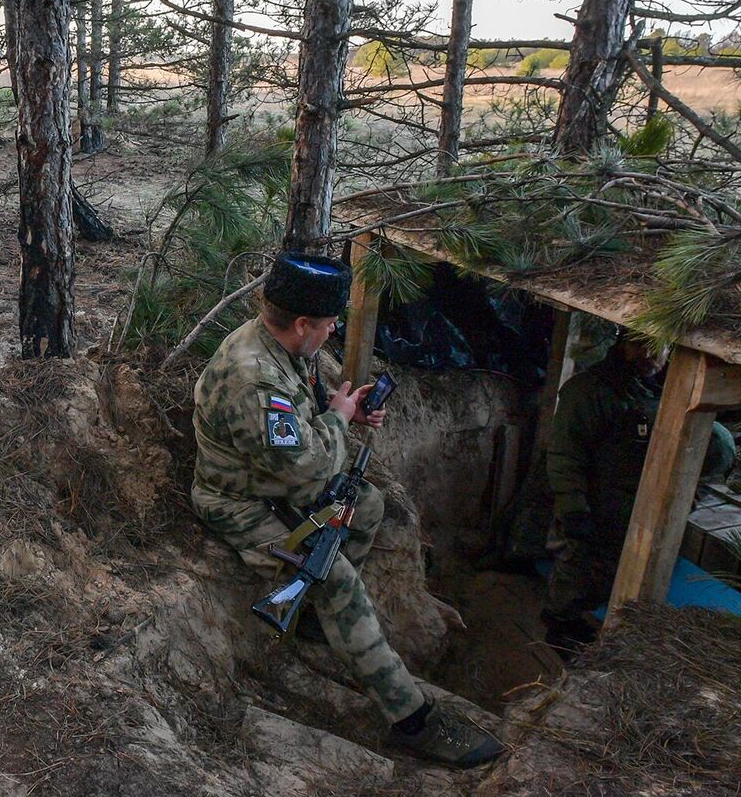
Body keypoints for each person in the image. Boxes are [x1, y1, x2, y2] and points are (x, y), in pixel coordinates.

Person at [191, 252, 505, 769]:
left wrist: (340, 411)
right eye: (330, 322)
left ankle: (317, 620)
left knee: (370, 507)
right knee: (335, 576)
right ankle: (411, 719)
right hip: (240, 503)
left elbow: (298, 431)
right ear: (301, 324)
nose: (334, 330)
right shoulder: (254, 377)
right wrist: (339, 418)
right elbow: (308, 471)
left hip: (276, 487)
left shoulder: (282, 346)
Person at [542, 331, 735, 650]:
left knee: (625, 567)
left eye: (657, 348)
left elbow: (711, 448)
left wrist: (687, 498)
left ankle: (610, 622)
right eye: (639, 346)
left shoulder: (666, 392)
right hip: (593, 500)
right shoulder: (587, 392)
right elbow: (565, 456)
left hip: (638, 503)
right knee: (578, 562)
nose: (650, 356)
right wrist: (574, 508)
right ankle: (560, 624)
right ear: (622, 345)